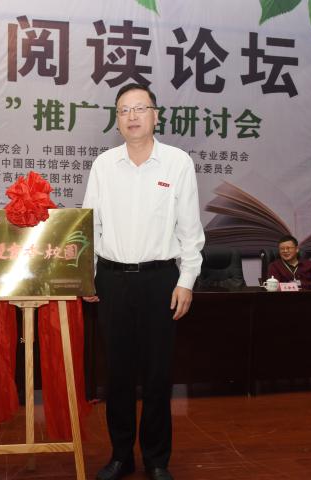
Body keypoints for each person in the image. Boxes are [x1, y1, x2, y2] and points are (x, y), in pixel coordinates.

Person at [82, 84, 205, 480]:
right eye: (124, 110)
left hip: (159, 280)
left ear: (156, 115)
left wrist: (186, 280)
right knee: (116, 375)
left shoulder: (177, 163)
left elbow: (190, 231)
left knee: (157, 375)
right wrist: (87, 276)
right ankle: (121, 456)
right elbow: (90, 227)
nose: (132, 116)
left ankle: (156, 459)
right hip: (112, 281)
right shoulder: (104, 165)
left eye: (140, 108)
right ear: (116, 120)